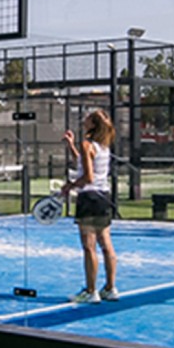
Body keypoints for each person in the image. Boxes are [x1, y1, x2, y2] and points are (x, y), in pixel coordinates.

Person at [60, 109, 119, 304]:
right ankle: (110, 288)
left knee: (89, 247)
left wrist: (69, 186)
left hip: (89, 199)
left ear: (93, 124)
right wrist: (71, 145)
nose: (83, 120)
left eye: (87, 118)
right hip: (104, 198)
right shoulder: (103, 146)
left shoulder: (87, 144)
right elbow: (84, 163)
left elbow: (88, 177)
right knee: (106, 245)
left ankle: (91, 291)